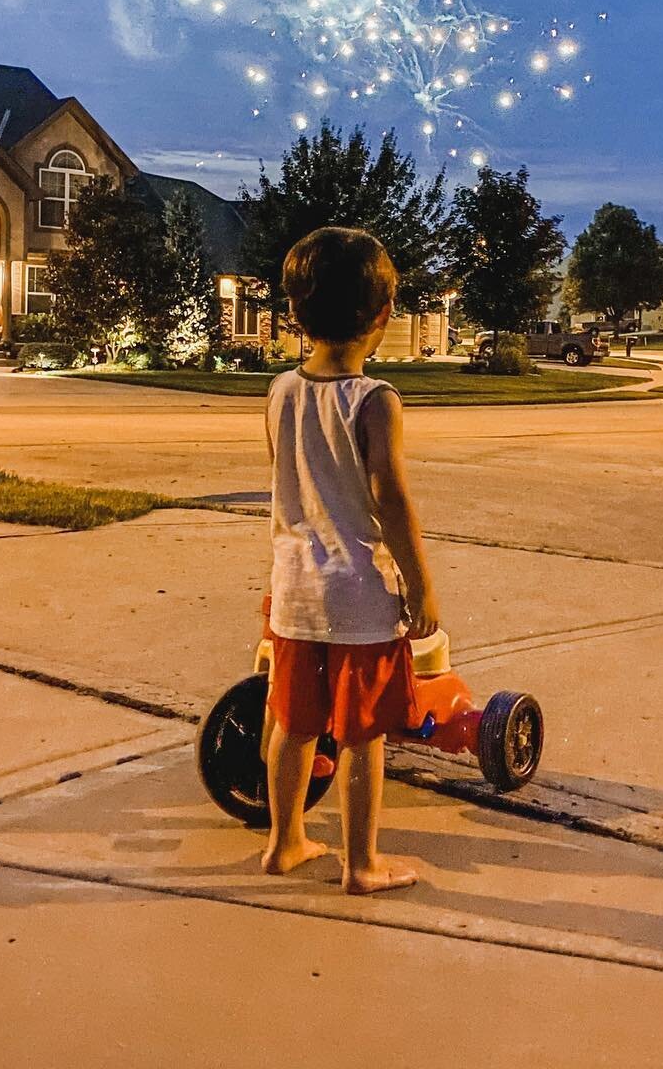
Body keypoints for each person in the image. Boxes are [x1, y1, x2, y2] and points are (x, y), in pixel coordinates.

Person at [260, 226, 441, 894]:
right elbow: (389, 500)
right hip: (357, 595)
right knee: (363, 736)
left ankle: (285, 843)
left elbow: (287, 476)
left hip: (294, 589)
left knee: (293, 722)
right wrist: (420, 587)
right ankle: (361, 864)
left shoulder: (280, 392)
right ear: (383, 317)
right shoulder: (375, 400)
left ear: (296, 313)